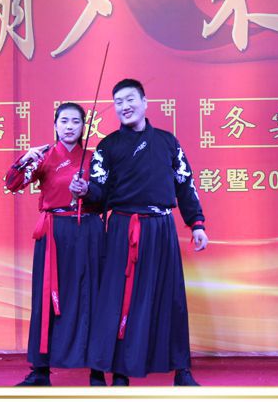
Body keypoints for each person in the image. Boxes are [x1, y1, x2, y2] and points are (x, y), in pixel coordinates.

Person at [70, 78, 207, 386]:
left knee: (171, 298)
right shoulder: (107, 146)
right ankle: (119, 372)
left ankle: (181, 371)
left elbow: (185, 184)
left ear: (145, 102)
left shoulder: (168, 142)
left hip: (161, 228)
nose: (125, 106)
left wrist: (196, 223)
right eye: (118, 102)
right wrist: (85, 191)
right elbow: (99, 192)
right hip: (122, 228)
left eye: (130, 99)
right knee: (118, 298)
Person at [5, 103, 106, 387]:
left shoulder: (95, 158)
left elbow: (107, 196)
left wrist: (88, 191)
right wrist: (25, 159)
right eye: (64, 121)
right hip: (54, 233)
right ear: (55, 125)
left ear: (84, 126)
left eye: (76, 121)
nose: (70, 126)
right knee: (46, 298)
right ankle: (40, 371)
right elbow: (12, 184)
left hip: (89, 231)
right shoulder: (44, 156)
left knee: (92, 296)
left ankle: (97, 371)